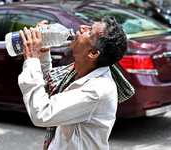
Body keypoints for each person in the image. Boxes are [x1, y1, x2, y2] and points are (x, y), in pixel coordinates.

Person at [18, 16, 134, 150]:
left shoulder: (97, 89)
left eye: (89, 32)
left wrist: (32, 60)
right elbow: (47, 88)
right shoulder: (77, 71)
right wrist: (43, 52)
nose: (81, 28)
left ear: (93, 53)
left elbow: (42, 113)